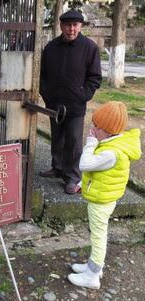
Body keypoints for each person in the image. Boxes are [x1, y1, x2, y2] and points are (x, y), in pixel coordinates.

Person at [67, 101, 142, 289]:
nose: (92, 130)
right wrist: (82, 183)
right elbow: (97, 172)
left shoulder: (111, 152)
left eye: (96, 127)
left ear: (108, 131)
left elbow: (84, 165)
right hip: (104, 197)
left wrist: (90, 144)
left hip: (101, 202)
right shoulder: (113, 143)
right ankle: (93, 267)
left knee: (98, 236)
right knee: (97, 234)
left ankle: (92, 276)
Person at [39, 10, 102, 194]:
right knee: (57, 137)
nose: (71, 29)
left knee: (73, 141)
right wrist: (46, 94)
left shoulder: (89, 48)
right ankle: (57, 167)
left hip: (75, 105)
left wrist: (82, 95)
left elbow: (95, 78)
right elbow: (42, 74)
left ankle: (72, 177)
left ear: (80, 26)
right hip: (54, 103)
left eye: (75, 25)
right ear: (61, 26)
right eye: (67, 25)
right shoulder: (51, 47)